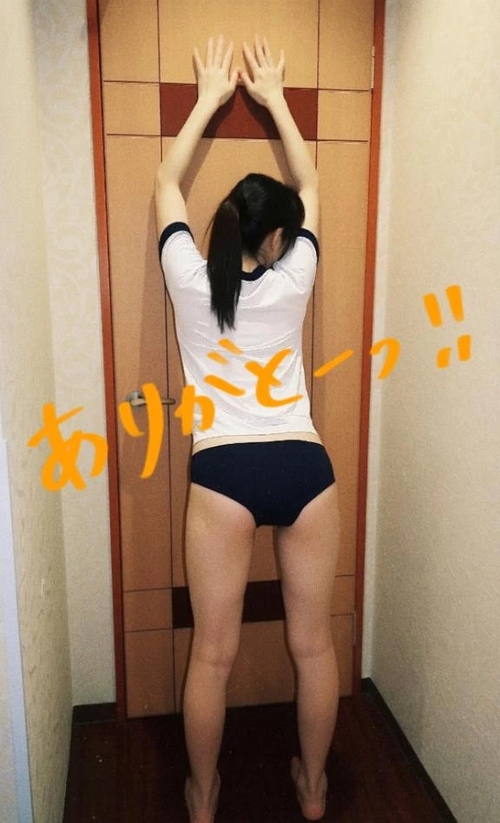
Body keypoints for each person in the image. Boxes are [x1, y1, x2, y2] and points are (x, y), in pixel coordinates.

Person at [155, 35, 340, 823]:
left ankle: (204, 798)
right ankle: (315, 790)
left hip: (224, 473)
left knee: (211, 653)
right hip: (305, 468)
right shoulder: (296, 275)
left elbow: (167, 182)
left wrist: (206, 99)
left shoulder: (187, 277)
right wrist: (274, 99)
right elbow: (311, 180)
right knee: (315, 644)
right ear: (276, 239)